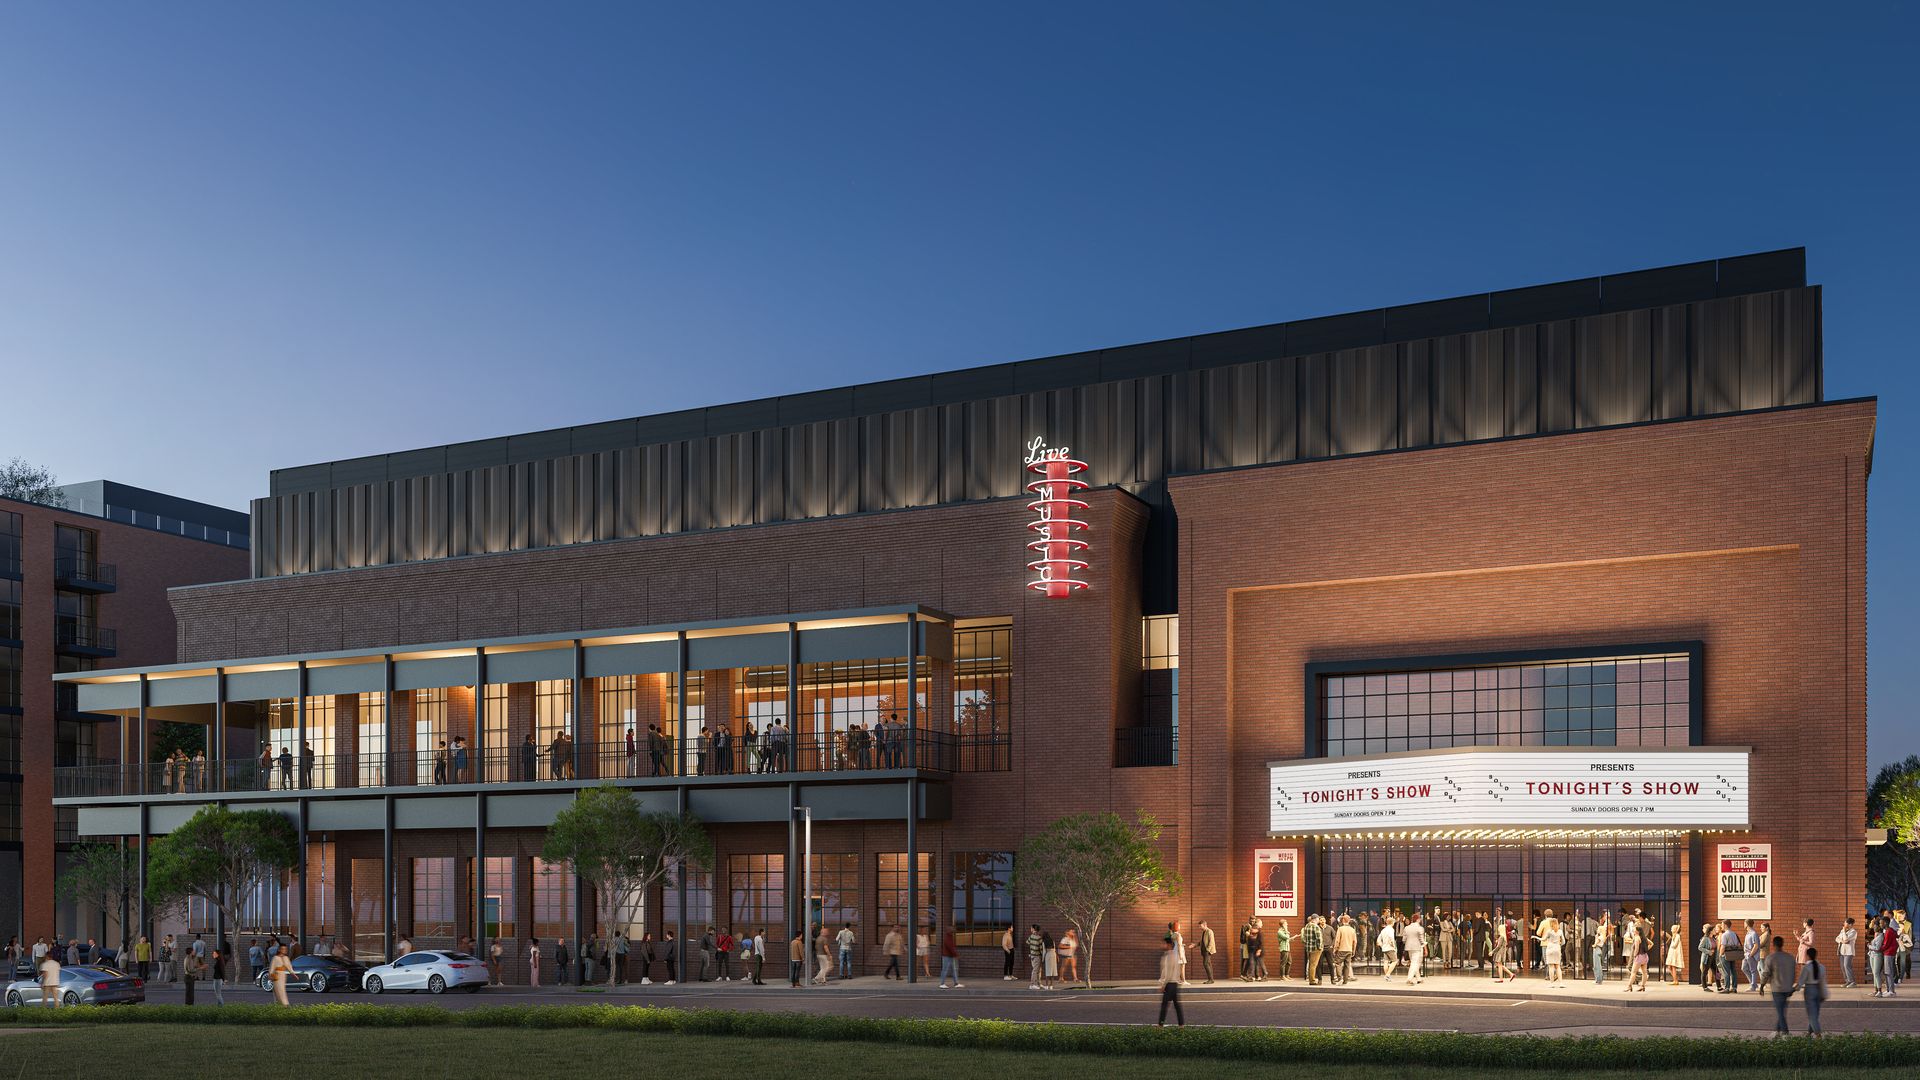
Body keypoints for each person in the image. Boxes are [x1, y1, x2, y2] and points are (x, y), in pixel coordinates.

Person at [1764, 935, 1795, 1036]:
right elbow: (1793, 973)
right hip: (1788, 988)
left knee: (1780, 1012)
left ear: (1773, 945)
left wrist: (1762, 986)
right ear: (1782, 944)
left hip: (1777, 989)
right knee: (1781, 1010)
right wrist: (1792, 986)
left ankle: (1785, 1033)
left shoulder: (1771, 957)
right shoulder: (1790, 957)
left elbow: (1766, 974)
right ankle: (1776, 1031)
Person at [1795, 945, 1828, 1037]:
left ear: (1807, 956)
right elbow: (1823, 981)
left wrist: (1793, 990)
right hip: (1819, 990)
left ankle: (1818, 1034)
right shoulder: (1822, 967)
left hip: (1809, 990)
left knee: (1811, 1014)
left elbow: (1800, 982)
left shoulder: (1806, 967)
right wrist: (1824, 993)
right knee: (1815, 1013)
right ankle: (1809, 1032)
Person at [1156, 936, 1184, 1027]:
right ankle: (1181, 1025)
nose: (1162, 945)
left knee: (1164, 1005)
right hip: (1174, 984)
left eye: (1164, 943)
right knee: (1176, 1005)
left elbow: (1168, 972)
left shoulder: (1169, 956)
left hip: (1170, 984)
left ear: (1169, 945)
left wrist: (1163, 985)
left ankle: (1160, 1025)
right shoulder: (1173, 956)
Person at [1331, 914, 1356, 985]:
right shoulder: (1352, 930)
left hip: (1341, 949)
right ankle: (1345, 980)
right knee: (1347, 965)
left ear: (1343, 920)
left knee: (1338, 964)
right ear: (1349, 920)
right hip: (1349, 949)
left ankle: (1340, 978)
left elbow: (1337, 940)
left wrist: (1335, 949)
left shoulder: (1340, 929)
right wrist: (1353, 950)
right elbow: (1355, 941)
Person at [1403, 913, 1427, 985]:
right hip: (1417, 947)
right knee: (1414, 963)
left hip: (1408, 947)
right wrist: (1425, 948)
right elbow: (1422, 940)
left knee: (1414, 963)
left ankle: (1419, 979)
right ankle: (1409, 979)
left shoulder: (1406, 928)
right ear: (1418, 919)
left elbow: (1404, 939)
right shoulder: (1420, 928)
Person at [1301, 914, 1325, 986]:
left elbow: (1304, 938)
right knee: (1313, 965)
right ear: (1316, 919)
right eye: (1318, 919)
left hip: (1309, 948)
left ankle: (1310, 979)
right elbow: (1319, 938)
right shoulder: (1316, 926)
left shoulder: (1307, 926)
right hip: (1315, 948)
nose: (1319, 920)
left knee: (1311, 964)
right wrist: (1320, 947)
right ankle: (1312, 980)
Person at [1540, 916, 1564, 987]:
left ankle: (1551, 983)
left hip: (1550, 948)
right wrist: (1559, 944)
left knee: (1551, 967)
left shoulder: (1549, 931)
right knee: (1558, 966)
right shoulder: (1560, 931)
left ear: (1551, 924)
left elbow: (1543, 939)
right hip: (1557, 949)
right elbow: (1563, 942)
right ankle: (1561, 983)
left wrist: (1536, 937)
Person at [1837, 918, 1858, 988]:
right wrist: (1842, 941)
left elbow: (1846, 939)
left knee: (1847, 966)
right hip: (1842, 951)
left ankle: (1852, 982)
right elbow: (1837, 938)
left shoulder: (1853, 932)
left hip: (1849, 952)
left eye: (1845, 923)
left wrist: (1843, 931)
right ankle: (1847, 981)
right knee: (1843, 967)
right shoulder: (1842, 931)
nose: (1844, 924)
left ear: (1850, 924)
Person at [1377, 917, 1399, 981]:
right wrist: (1393, 946)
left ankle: (1387, 976)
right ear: (1392, 922)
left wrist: (1382, 945)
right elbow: (1391, 938)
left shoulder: (1383, 930)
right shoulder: (1391, 929)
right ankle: (1388, 975)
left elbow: (1378, 940)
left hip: (1384, 948)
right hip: (1390, 948)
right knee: (1394, 961)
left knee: (1386, 962)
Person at [1025, 924, 1044, 989]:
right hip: (1037, 956)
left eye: (1031, 928)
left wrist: (1032, 947)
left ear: (1033, 929)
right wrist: (1043, 956)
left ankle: (1037, 983)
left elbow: (1027, 942)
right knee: (1036, 970)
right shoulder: (1039, 938)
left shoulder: (1031, 936)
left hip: (1032, 955)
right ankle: (1033, 984)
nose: (1030, 929)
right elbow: (1041, 948)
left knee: (1036, 970)